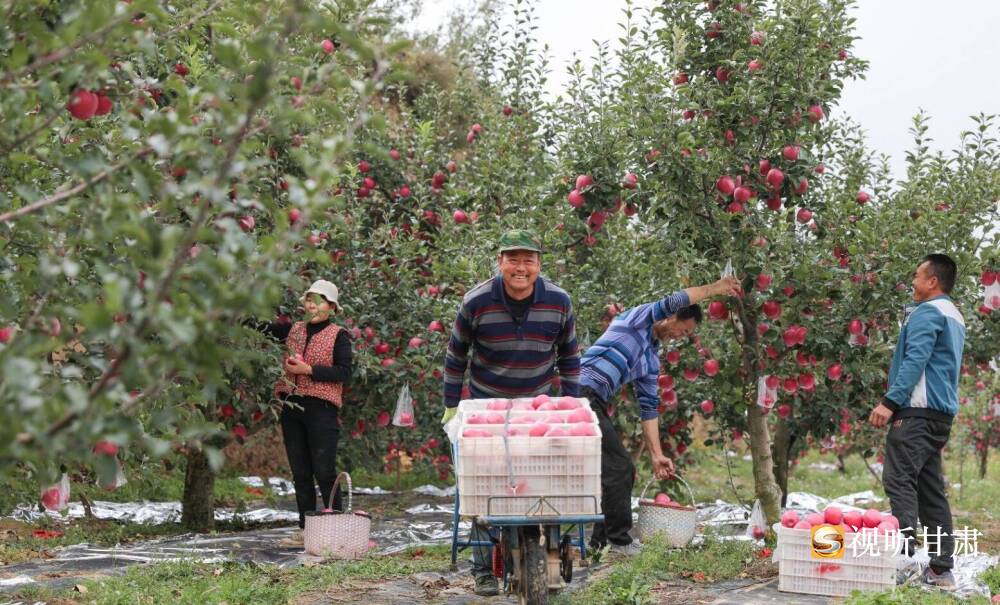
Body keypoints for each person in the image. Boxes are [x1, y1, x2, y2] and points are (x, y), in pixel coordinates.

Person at [440, 229, 580, 596]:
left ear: (539, 264)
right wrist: (452, 407)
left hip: (537, 407)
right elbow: (456, 358)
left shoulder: (559, 302)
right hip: (489, 405)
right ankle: (484, 569)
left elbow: (569, 357)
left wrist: (572, 404)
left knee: (543, 480)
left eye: (528, 259)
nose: (521, 267)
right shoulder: (476, 302)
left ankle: (547, 553)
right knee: (485, 483)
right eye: (513, 259)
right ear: (500, 261)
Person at [579, 276, 741, 556]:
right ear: (672, 316)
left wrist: (657, 454)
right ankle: (618, 542)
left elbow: (649, 408)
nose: (682, 336)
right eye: (684, 328)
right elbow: (678, 298)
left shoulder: (651, 360)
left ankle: (599, 543)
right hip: (579, 393)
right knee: (620, 468)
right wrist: (715, 289)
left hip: (595, 401)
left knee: (614, 469)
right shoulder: (637, 319)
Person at [869, 254, 965, 589]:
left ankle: (904, 559)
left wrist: (889, 402)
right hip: (939, 416)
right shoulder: (954, 315)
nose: (913, 281)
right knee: (930, 491)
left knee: (899, 481)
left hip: (916, 412)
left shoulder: (928, 312)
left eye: (916, 274)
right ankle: (941, 569)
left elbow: (917, 358)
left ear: (932, 281)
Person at [261, 279, 353, 532]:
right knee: (300, 473)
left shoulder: (339, 336)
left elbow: (344, 371)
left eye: (319, 300)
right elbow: (264, 329)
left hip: (321, 408)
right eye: (310, 299)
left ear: (332, 307)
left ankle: (335, 530)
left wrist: (309, 370)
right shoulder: (294, 330)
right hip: (292, 407)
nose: (312, 305)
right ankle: (307, 530)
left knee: (324, 471)